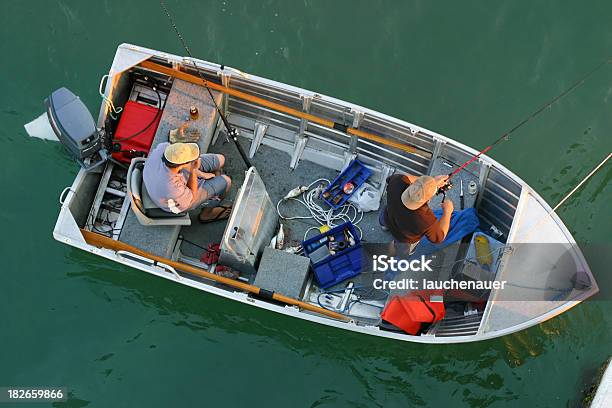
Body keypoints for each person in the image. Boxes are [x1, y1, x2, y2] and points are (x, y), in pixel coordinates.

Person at [143, 142, 232, 222]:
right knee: (227, 181)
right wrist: (193, 170)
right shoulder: (173, 188)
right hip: (180, 202)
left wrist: (201, 173)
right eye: (191, 159)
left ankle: (212, 184)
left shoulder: (163, 148)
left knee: (221, 159)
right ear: (182, 164)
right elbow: (192, 196)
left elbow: (177, 161)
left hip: (174, 175)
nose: (195, 158)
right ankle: (207, 214)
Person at [380, 173, 453, 255]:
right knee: (402, 248)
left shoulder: (397, 181)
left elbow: (406, 177)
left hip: (388, 217)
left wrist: (429, 182)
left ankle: (384, 227)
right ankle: (396, 252)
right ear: (428, 199)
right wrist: (447, 211)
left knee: (384, 219)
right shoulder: (426, 219)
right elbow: (439, 238)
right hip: (403, 237)